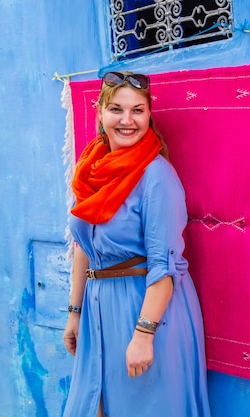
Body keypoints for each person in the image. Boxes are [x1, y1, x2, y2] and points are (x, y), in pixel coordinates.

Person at [62, 71, 211, 417]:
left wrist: (144, 335)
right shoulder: (92, 170)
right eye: (116, 109)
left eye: (138, 110)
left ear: (149, 115)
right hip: (99, 312)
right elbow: (85, 245)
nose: (127, 120)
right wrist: (75, 312)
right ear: (99, 112)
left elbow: (165, 265)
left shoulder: (157, 177)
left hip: (146, 311)